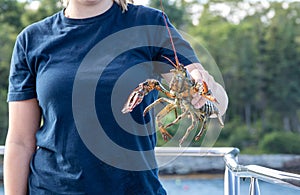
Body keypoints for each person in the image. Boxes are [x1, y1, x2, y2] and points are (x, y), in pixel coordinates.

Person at [4, 0, 228, 194]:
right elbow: (20, 141)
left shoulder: (150, 22)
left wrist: (206, 90)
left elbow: (215, 97)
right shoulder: (31, 40)